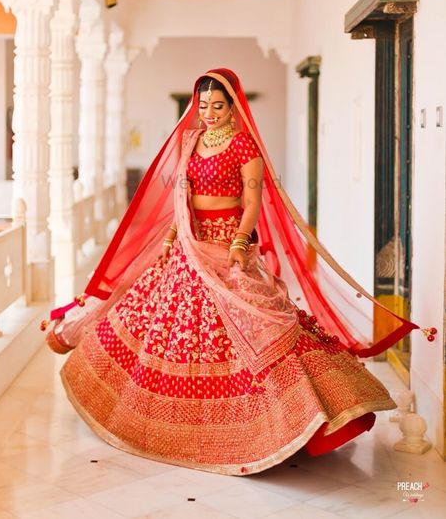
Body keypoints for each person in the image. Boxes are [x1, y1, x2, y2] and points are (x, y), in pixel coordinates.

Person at [43, 68, 436, 476]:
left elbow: (252, 203)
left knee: (257, 325)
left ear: (233, 108)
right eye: (203, 106)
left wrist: (238, 241)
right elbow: (183, 195)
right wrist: (172, 235)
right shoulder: (191, 142)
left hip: (228, 246)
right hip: (187, 247)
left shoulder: (244, 146)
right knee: (158, 324)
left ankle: (301, 419)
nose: (209, 113)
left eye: (217, 106)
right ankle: (157, 420)